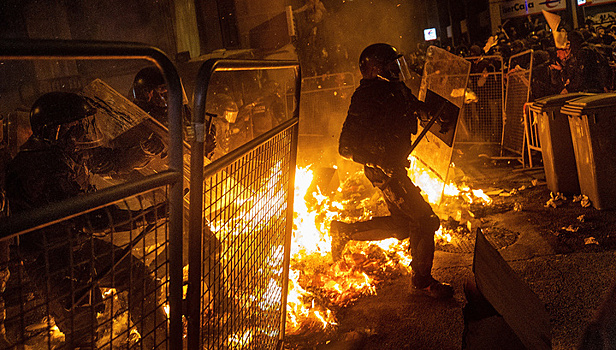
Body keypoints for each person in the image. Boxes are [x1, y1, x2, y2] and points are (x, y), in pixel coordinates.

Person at [4, 92, 168, 349]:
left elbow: (111, 161)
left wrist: (143, 152)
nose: (83, 132)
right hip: (50, 261)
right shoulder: (37, 168)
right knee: (83, 334)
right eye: (77, 127)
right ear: (56, 131)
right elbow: (90, 217)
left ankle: (162, 344)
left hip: (77, 246)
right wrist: (144, 216)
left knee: (137, 276)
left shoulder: (69, 151)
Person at [330, 43, 454, 299]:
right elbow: (345, 147)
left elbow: (412, 105)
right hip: (384, 170)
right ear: (377, 70)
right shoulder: (365, 97)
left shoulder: (395, 88)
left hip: (394, 166)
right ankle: (423, 283)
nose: (397, 69)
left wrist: (429, 112)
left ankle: (344, 231)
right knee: (425, 219)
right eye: (391, 65)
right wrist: (379, 163)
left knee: (401, 224)